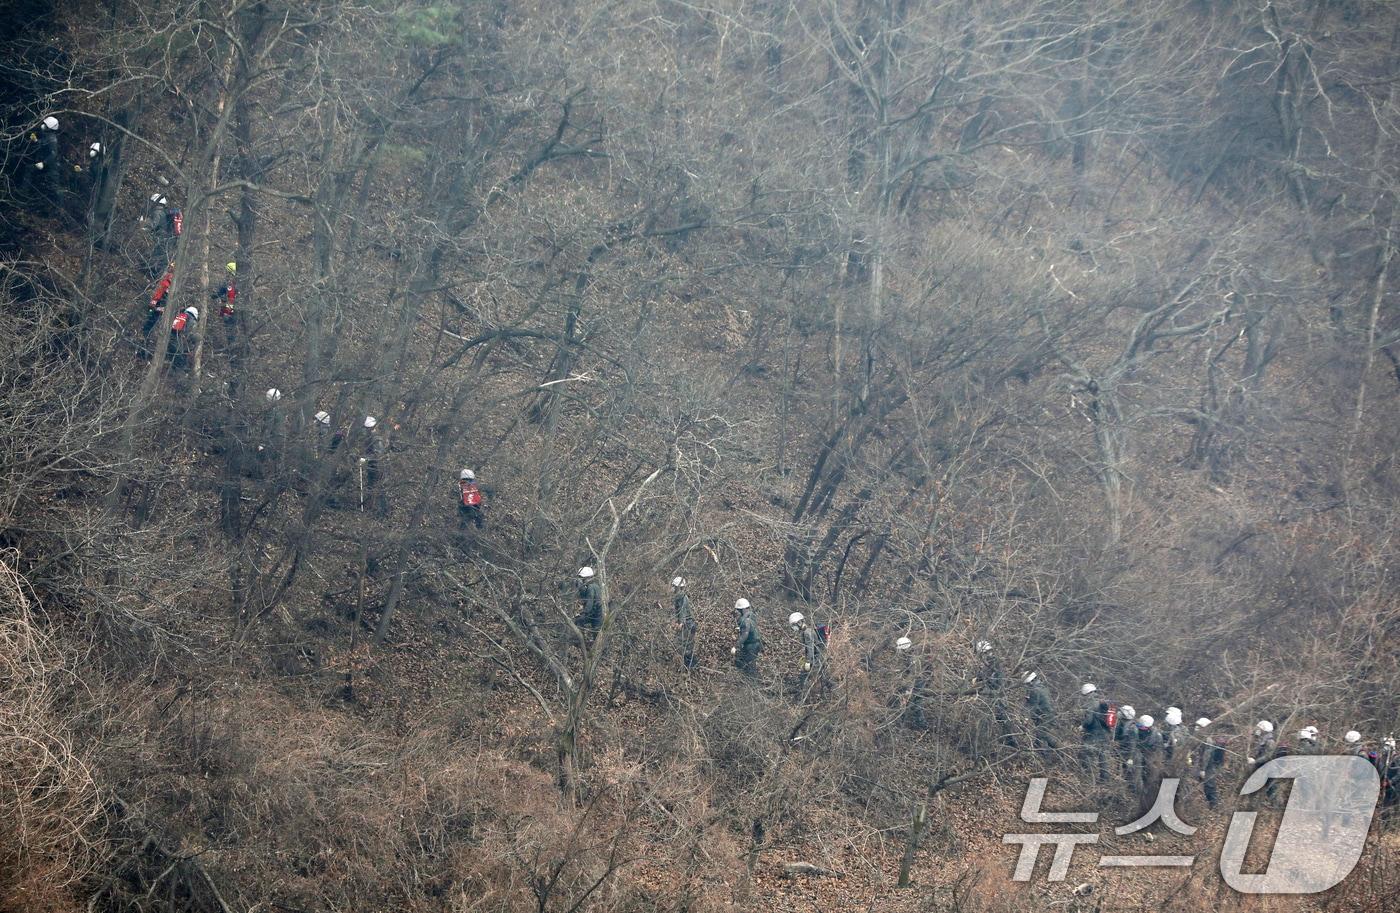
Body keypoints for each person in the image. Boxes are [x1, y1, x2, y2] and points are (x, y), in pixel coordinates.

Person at [974, 640, 1017, 747]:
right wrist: (978, 678)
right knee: (995, 717)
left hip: (997, 695)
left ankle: (1010, 741)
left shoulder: (995, 663)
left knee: (999, 717)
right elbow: (984, 674)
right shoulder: (989, 664)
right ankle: (1006, 740)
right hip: (992, 694)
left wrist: (984, 681)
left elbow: (997, 681)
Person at [1192, 717, 1227, 809]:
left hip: (1209, 766)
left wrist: (1203, 769)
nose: (1197, 728)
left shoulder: (1208, 741)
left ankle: (1214, 805)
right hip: (1205, 765)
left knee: (1209, 785)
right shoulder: (1203, 738)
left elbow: (1206, 756)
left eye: (1199, 727)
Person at [1132, 714, 1165, 811]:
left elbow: (1159, 750)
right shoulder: (1137, 730)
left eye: (1142, 727)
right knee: (1138, 776)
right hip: (1140, 755)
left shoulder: (1157, 735)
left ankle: (1149, 797)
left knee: (1151, 778)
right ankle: (1139, 795)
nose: (1140, 728)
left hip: (1151, 757)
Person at [1080, 690, 1113, 784]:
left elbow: (1089, 720)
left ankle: (1088, 779)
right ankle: (1105, 780)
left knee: (1086, 753)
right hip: (1105, 733)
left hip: (1094, 733)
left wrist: (1083, 726)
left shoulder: (1091, 703)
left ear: (1086, 693)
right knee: (1103, 756)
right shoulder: (1102, 701)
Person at [1022, 671, 1058, 750]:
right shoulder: (1043, 687)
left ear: (1030, 682)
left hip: (1044, 716)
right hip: (1048, 714)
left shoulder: (1035, 690)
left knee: (1042, 734)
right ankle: (1042, 752)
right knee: (1040, 736)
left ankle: (1057, 747)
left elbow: (1033, 706)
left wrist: (1026, 718)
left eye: (1027, 684)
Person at [789, 611, 820, 692]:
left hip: (817, 658)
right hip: (819, 657)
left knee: (804, 675)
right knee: (823, 676)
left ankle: (802, 694)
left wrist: (808, 662)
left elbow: (810, 648)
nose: (793, 628)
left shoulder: (807, 633)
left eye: (794, 625)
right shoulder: (808, 631)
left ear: (799, 623)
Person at [362, 416, 387, 513]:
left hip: (378, 467)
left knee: (379, 489)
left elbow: (378, 454)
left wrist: (366, 459)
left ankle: (383, 512)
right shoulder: (370, 437)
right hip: (372, 466)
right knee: (370, 486)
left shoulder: (376, 438)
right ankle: (370, 507)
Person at [142, 264, 175, 337]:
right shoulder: (169, 280)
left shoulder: (168, 280)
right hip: (161, 302)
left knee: (153, 317)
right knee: (153, 317)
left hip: (160, 302)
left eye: (171, 267)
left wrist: (154, 301)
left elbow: (160, 291)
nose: (169, 268)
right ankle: (145, 332)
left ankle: (146, 333)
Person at [672, 577, 696, 669]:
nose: (673, 588)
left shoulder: (681, 597)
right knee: (685, 646)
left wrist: (681, 623)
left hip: (688, 625)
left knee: (685, 646)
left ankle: (691, 668)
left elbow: (682, 611)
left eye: (674, 586)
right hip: (688, 624)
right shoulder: (679, 596)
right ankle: (688, 666)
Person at [211, 262, 237, 346]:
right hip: (230, 311)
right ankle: (231, 346)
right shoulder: (234, 283)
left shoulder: (231, 284)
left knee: (231, 330)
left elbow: (219, 293)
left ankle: (232, 346)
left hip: (230, 311)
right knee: (230, 330)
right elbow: (218, 294)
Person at [165, 306, 198, 372]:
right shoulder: (191, 320)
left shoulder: (180, 315)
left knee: (174, 360)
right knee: (180, 363)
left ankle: (172, 374)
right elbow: (187, 333)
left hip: (169, 341)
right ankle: (178, 377)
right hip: (178, 344)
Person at [733, 598, 761, 675]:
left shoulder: (745, 620)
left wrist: (736, 646)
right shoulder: (751, 616)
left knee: (749, 666)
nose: (737, 612)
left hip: (751, 645)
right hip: (755, 644)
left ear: (743, 609)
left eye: (739, 610)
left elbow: (745, 634)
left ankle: (752, 682)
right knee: (747, 662)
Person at [574, 566, 603, 632]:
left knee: (579, 621)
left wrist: (583, 613)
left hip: (596, 614)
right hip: (597, 614)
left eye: (581, 578)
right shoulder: (595, 585)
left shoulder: (590, 587)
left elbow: (589, 603)